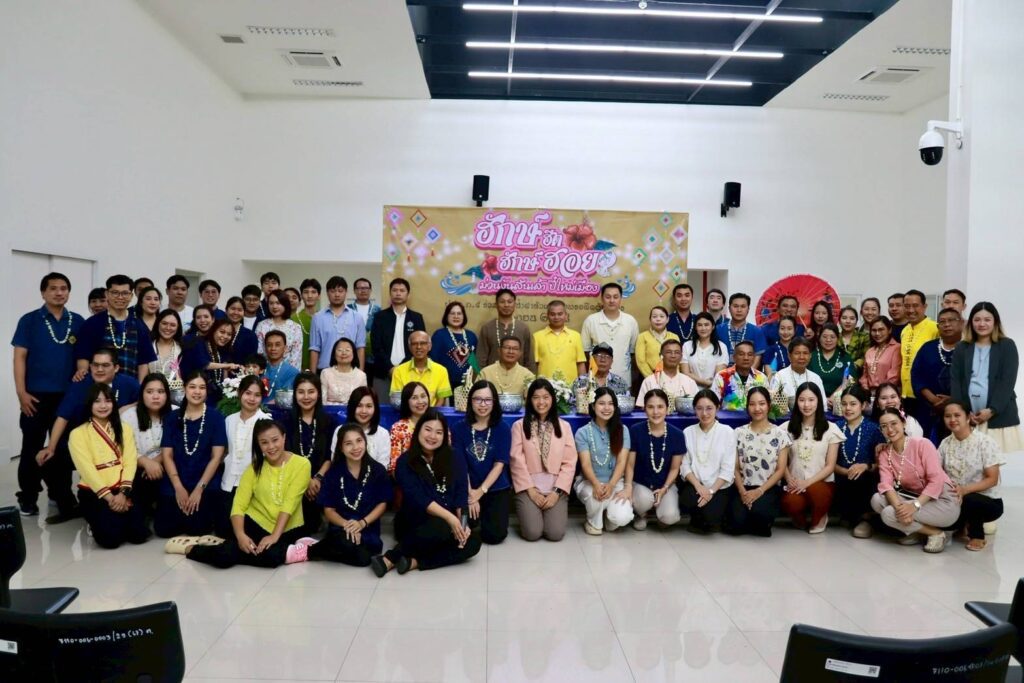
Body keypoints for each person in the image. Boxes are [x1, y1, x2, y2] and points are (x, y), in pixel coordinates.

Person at [183, 419, 311, 567]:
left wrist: (274, 536)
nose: (271, 447)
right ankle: (193, 549)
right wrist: (240, 535)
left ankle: (224, 547)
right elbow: (239, 504)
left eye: (275, 440)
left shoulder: (302, 464)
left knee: (272, 557)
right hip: (256, 523)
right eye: (264, 442)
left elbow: (289, 504)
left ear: (284, 437)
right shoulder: (254, 468)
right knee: (227, 557)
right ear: (258, 445)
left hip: (288, 528)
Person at [37, 347, 142, 521]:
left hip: (115, 446)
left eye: (105, 365)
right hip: (86, 443)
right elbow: (63, 416)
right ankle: (69, 507)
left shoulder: (128, 383)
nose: (99, 369)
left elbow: (144, 400)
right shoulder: (80, 383)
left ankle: (121, 497)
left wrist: (125, 407)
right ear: (90, 366)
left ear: (116, 367)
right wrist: (51, 447)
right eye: (95, 365)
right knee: (50, 460)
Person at [373, 409, 482, 575]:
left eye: (439, 432)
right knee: (442, 526)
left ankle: (415, 562)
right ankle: (390, 558)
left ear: (444, 436)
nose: (432, 436)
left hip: (447, 521)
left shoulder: (455, 457)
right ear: (418, 431)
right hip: (414, 520)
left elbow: (461, 496)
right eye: (428, 430)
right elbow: (419, 499)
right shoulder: (405, 461)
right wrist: (451, 518)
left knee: (473, 541)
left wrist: (463, 525)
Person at [12, 272, 84, 516]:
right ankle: (28, 496)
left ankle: (59, 493)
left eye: (64, 288)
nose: (59, 292)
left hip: (66, 398)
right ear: (43, 292)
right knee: (31, 446)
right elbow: (19, 358)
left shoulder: (77, 321)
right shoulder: (29, 320)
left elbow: (83, 357)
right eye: (53, 288)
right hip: (35, 397)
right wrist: (21, 393)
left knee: (62, 448)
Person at [68, 383, 149, 548]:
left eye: (107, 401)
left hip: (123, 488)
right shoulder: (77, 434)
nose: (103, 406)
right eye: (97, 401)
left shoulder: (124, 429)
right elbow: (87, 470)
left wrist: (123, 494)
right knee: (110, 541)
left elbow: (130, 461)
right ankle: (99, 521)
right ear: (89, 404)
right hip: (95, 492)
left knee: (139, 536)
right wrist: (111, 498)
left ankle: (117, 519)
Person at [872, 408, 960, 553]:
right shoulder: (884, 453)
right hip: (912, 497)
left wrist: (915, 506)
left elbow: (936, 480)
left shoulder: (922, 444)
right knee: (877, 500)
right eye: (884, 426)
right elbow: (886, 485)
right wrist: (900, 509)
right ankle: (929, 532)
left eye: (894, 423)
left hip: (943, 500)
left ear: (904, 423)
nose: (890, 429)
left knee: (888, 514)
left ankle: (935, 534)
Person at [308, 423, 392, 566]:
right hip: (341, 528)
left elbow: (382, 504)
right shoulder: (333, 473)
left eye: (359, 441)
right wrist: (347, 525)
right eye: (348, 443)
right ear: (341, 447)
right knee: (353, 549)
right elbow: (329, 510)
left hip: (367, 528)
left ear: (365, 442)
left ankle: (319, 549)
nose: (355, 447)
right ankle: (309, 551)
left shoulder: (378, 471)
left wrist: (362, 523)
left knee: (367, 554)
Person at [156, 371, 227, 538]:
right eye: (192, 387)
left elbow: (216, 457)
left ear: (207, 391)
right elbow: (167, 455)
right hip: (176, 479)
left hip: (204, 481)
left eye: (202, 388)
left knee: (198, 529)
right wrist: (178, 487)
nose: (197, 392)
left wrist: (199, 489)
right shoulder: (172, 417)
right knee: (164, 530)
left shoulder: (216, 417)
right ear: (184, 388)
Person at [509, 379, 578, 541]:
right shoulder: (519, 426)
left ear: (553, 399)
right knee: (532, 533)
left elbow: (570, 462)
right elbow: (516, 460)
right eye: (536, 397)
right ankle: (530, 511)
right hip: (528, 488)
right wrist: (531, 491)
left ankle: (547, 510)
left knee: (555, 534)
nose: (541, 402)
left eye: (546, 397)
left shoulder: (564, 426)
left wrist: (556, 492)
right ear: (529, 400)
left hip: (555, 489)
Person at [952, 302, 1023, 453]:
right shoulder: (962, 347)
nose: (982, 324)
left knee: (999, 463)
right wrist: (962, 412)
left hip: (999, 419)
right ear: (971, 322)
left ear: (995, 322)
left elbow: (1007, 382)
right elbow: (956, 381)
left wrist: (992, 410)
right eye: (977, 319)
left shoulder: (1007, 345)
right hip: (969, 419)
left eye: (987, 319)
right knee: (969, 462)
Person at [451, 380, 513, 544]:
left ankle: (484, 520)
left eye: (487, 400)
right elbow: (460, 465)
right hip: (467, 487)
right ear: (470, 401)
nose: (482, 404)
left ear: (494, 402)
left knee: (495, 536)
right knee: (465, 526)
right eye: (478, 399)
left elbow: (499, 465)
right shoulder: (458, 428)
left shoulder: (503, 429)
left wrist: (480, 492)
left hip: (494, 487)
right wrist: (471, 494)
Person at [939, 401, 1004, 551]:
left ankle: (977, 535)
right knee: (945, 522)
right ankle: (962, 524)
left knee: (970, 499)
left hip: (986, 501)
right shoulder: (945, 444)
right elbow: (937, 472)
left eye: (957, 415)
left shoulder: (985, 442)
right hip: (956, 499)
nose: (952, 419)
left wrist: (964, 490)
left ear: (968, 417)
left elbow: (992, 479)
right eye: (948, 416)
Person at [726, 386, 790, 537]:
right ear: (747, 406)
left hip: (767, 487)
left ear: (769, 405)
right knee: (735, 526)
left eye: (761, 404)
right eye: (752, 404)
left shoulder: (780, 434)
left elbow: (781, 470)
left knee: (761, 521)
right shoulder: (739, 433)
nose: (757, 408)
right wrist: (743, 492)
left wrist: (759, 491)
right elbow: (734, 467)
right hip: (743, 486)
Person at [782, 383, 845, 533]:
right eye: (802, 400)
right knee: (791, 502)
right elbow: (781, 461)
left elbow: (830, 466)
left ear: (819, 401)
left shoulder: (831, 429)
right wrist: (789, 478)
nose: (806, 405)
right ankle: (799, 519)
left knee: (818, 493)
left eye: (811, 400)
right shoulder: (785, 428)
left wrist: (807, 482)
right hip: (795, 482)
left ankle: (820, 516)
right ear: (796, 402)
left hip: (821, 482)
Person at [573, 387, 633, 535]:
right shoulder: (583, 432)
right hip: (589, 481)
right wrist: (595, 484)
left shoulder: (622, 430)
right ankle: (593, 522)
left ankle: (608, 516)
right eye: (601, 403)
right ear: (593, 406)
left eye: (610, 404)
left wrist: (611, 485)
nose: (606, 408)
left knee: (621, 518)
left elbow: (622, 462)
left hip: (615, 482)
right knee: (596, 500)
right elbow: (585, 464)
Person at [74, 274, 156, 381]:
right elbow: (83, 356)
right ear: (107, 294)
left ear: (131, 296)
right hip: (98, 387)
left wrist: (140, 387)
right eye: (115, 292)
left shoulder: (139, 325)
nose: (120, 297)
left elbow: (143, 363)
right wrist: (83, 375)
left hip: (129, 387)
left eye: (125, 293)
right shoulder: (92, 323)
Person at [220, 376, 271, 537]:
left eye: (257, 395)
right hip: (229, 482)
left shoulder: (266, 422)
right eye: (248, 393)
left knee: (249, 531)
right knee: (225, 531)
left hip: (254, 485)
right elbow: (225, 451)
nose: (252, 399)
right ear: (240, 393)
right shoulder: (229, 420)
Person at [625, 389, 683, 529]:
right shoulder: (635, 430)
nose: (655, 412)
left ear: (667, 409)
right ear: (644, 409)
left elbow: (675, 468)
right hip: (641, 483)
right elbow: (630, 465)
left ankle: (660, 512)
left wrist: (665, 488)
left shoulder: (677, 434)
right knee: (643, 500)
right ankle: (641, 514)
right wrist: (628, 486)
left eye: (660, 407)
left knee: (669, 517)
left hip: (665, 485)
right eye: (650, 407)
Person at [680, 389, 736, 534]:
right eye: (699, 408)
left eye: (709, 408)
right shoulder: (688, 432)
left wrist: (710, 491)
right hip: (696, 485)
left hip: (718, 487)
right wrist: (699, 487)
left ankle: (710, 518)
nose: (704, 413)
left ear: (718, 408)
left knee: (712, 519)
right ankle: (698, 518)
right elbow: (685, 466)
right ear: (694, 410)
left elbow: (728, 470)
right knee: (687, 499)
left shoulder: (727, 432)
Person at [285, 373, 334, 535]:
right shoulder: (287, 421)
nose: (306, 397)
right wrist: (305, 480)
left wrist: (317, 478)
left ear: (318, 393)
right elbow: (285, 455)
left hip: (321, 479)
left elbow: (330, 456)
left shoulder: (328, 421)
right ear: (295, 394)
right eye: (301, 392)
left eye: (311, 391)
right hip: (293, 479)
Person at [833, 385, 885, 538]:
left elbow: (882, 464)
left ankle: (865, 519)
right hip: (840, 476)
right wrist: (846, 471)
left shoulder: (874, 429)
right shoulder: (836, 427)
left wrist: (865, 466)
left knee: (862, 479)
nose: (848, 408)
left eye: (853, 404)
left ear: (863, 405)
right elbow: (828, 461)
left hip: (865, 479)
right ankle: (848, 515)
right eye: (844, 404)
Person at [122, 373, 175, 518]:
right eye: (150, 392)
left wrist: (156, 462)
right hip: (136, 468)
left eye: (161, 391)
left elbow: (180, 445)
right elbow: (123, 449)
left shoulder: (176, 413)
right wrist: (145, 462)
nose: (155, 396)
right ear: (142, 394)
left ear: (167, 394)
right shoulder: (129, 416)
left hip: (169, 466)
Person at [369, 278, 426, 402]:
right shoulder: (380, 317)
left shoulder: (416, 318)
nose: (398, 293)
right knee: (382, 408)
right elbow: (376, 346)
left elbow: (420, 347)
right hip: (383, 373)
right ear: (390, 293)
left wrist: (401, 369)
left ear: (408, 294)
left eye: (402, 290)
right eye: (395, 290)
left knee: (410, 406)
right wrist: (390, 368)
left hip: (409, 372)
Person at [912, 308, 963, 443]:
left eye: (951, 320)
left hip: (962, 411)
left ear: (961, 323)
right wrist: (933, 399)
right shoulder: (927, 348)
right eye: (942, 322)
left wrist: (954, 399)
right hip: (929, 410)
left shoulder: (970, 349)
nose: (947, 324)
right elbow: (916, 375)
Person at [581, 282, 639, 380]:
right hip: (596, 379)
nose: (612, 300)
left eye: (615, 297)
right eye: (608, 297)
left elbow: (633, 353)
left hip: (623, 378)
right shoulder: (591, 320)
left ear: (621, 299)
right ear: (602, 299)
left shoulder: (630, 321)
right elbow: (585, 352)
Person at [309, 276, 366, 373]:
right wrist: (312, 376)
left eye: (340, 291)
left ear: (346, 292)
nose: (337, 294)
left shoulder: (357, 317)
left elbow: (360, 347)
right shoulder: (317, 318)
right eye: (332, 291)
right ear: (327, 293)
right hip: (325, 370)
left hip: (351, 371)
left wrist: (360, 374)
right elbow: (314, 349)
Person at [180, 319, 242, 406]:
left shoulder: (224, 350)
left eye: (229, 334)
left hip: (217, 394)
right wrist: (226, 366)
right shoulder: (198, 343)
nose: (225, 336)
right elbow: (204, 364)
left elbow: (224, 375)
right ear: (213, 330)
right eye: (222, 332)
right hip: (196, 393)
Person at [899, 289, 940, 415]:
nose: (911, 310)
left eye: (915, 305)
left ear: (924, 306)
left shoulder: (935, 328)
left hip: (927, 395)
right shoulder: (905, 330)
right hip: (906, 394)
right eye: (907, 306)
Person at [477, 289, 535, 371]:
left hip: (518, 377)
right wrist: (480, 377)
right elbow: (480, 359)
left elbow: (529, 359)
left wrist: (530, 377)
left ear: (515, 304)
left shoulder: (523, 328)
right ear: (496, 305)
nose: (506, 305)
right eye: (502, 302)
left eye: (509, 302)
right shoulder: (487, 328)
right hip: (492, 376)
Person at [390, 330, 452, 406]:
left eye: (423, 343)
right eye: (414, 344)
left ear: (429, 346)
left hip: (432, 412)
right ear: (409, 347)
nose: (419, 347)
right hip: (408, 412)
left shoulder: (441, 370)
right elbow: (397, 401)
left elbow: (441, 400)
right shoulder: (399, 371)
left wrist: (430, 413)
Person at [430, 301, 478, 392]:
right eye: (452, 313)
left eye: (459, 313)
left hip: (467, 386)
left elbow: (475, 364)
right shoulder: (439, 335)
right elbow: (433, 361)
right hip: (445, 384)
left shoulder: (471, 336)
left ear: (463, 316)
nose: (456, 316)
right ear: (446, 316)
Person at [533, 299, 587, 381]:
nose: (556, 317)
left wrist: (583, 384)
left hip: (570, 386)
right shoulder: (537, 336)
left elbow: (580, 363)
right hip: (545, 386)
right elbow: (534, 365)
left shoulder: (576, 336)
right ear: (547, 316)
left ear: (566, 316)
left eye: (560, 314)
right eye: (552, 314)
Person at [635, 339, 699, 407]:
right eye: (669, 352)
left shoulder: (690, 382)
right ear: (661, 355)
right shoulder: (649, 381)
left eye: (677, 352)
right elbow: (642, 407)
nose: (673, 356)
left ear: (681, 357)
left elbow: (698, 407)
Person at [339, 387, 391, 469]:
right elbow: (336, 462)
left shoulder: (383, 434)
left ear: (375, 408)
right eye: (359, 406)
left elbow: (383, 466)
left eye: (369, 406)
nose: (364, 411)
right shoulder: (340, 430)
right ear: (352, 407)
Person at [710, 340, 769, 411]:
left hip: (754, 416)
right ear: (734, 357)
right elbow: (712, 403)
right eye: (741, 354)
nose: (746, 358)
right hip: (728, 417)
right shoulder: (722, 376)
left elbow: (767, 404)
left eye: (749, 354)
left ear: (754, 358)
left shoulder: (761, 378)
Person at [769, 338, 826, 406]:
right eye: (797, 353)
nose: (801, 357)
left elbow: (823, 405)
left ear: (810, 356)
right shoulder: (780, 377)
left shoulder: (815, 378)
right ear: (789, 356)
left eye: (805, 353)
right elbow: (775, 406)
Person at [255, 290, 303, 369]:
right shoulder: (261, 326)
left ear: (285, 304)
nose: (274, 306)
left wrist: (287, 373)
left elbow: (296, 356)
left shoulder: (295, 327)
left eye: (278, 303)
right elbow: (260, 353)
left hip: (288, 372)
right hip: (266, 371)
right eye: (271, 303)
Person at [389, 381, 430, 472]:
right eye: (414, 398)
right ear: (406, 401)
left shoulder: (438, 424)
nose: (420, 401)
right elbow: (394, 467)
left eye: (423, 396)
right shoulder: (398, 428)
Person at [716, 293, 766, 366]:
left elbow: (757, 357)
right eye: (735, 306)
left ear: (748, 309)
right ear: (729, 308)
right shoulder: (718, 329)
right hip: (722, 371)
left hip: (747, 371)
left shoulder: (756, 331)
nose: (739, 310)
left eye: (743, 306)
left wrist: (750, 373)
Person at [681, 312, 728, 389]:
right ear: (695, 327)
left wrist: (711, 385)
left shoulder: (721, 347)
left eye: (706, 325)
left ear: (713, 326)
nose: (703, 328)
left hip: (713, 390)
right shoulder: (687, 345)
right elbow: (685, 373)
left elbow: (719, 376)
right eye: (700, 325)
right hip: (691, 390)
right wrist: (706, 382)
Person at [809, 323, 853, 400]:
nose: (828, 340)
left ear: (838, 338)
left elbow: (850, 380)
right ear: (819, 338)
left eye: (832, 337)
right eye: (824, 337)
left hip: (839, 400)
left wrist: (834, 397)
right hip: (814, 399)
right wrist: (822, 399)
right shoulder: (811, 356)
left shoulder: (845, 357)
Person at [860, 317, 901, 396]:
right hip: (869, 394)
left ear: (889, 330)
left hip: (888, 394)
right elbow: (864, 375)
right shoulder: (870, 351)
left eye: (881, 330)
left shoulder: (897, 348)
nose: (877, 333)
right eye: (874, 330)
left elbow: (894, 376)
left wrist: (880, 392)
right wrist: (866, 390)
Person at [636, 306, 680, 378]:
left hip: (671, 376)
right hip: (649, 377)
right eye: (654, 316)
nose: (658, 319)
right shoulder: (642, 337)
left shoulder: (674, 337)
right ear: (650, 319)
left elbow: (678, 359)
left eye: (662, 316)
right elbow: (641, 361)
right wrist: (652, 379)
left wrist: (674, 377)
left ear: (667, 319)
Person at [320, 337, 367, 405]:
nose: (343, 353)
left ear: (354, 354)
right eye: (340, 350)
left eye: (347, 350)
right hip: (330, 411)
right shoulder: (326, 373)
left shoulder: (361, 376)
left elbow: (363, 402)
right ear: (334, 354)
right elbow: (322, 401)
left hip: (353, 411)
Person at [262, 330, 300, 405]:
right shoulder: (259, 368)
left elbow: (286, 398)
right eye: (269, 345)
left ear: (285, 348)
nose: (273, 348)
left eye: (277, 345)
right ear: (265, 348)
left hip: (280, 409)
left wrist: (264, 407)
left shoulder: (292, 373)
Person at [293, 278, 321, 371]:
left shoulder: (324, 319)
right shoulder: (293, 319)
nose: (309, 295)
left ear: (319, 296)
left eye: (313, 292)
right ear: (301, 295)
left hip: (322, 369)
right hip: (298, 368)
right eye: (306, 292)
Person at [148, 309, 182, 382]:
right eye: (164, 323)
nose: (168, 328)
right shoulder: (147, 346)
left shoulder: (182, 349)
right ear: (158, 323)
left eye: (173, 325)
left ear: (178, 327)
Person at [224, 295, 259, 361]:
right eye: (233, 309)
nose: (236, 313)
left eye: (240, 310)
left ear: (244, 312)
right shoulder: (217, 331)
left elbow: (252, 361)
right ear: (226, 310)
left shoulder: (250, 335)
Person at [838, 306, 869, 376]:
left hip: (857, 375)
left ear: (856, 321)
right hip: (837, 374)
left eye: (852, 318)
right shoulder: (835, 337)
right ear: (839, 321)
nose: (848, 321)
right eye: (844, 318)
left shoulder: (864, 337)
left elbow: (866, 356)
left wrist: (854, 365)